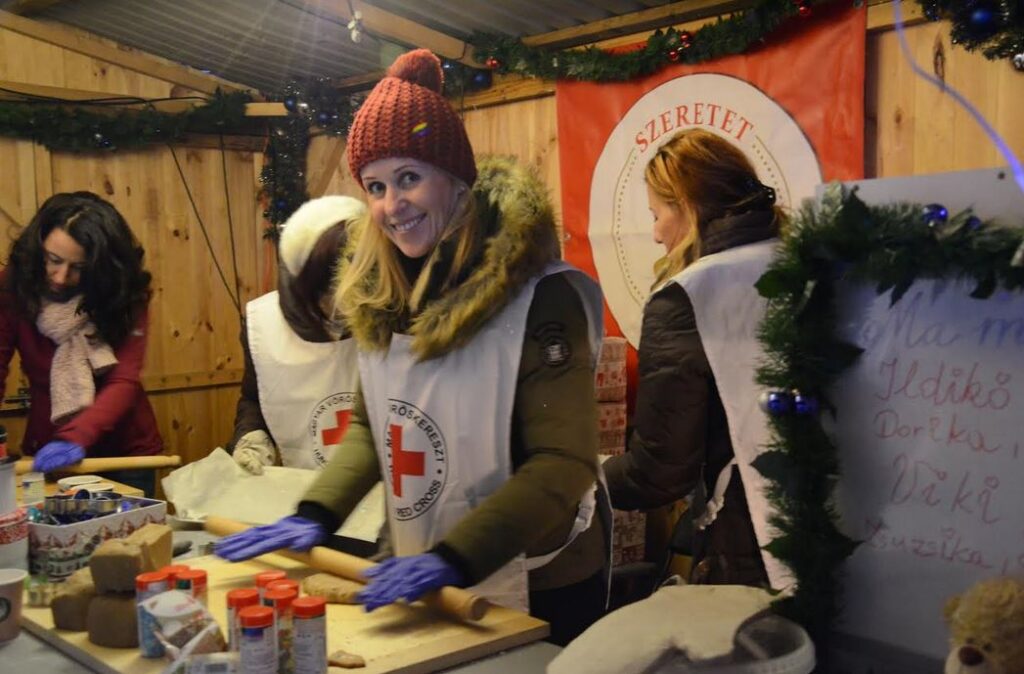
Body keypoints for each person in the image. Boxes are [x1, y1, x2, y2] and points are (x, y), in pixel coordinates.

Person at [216, 48, 610, 645]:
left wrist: (457, 556)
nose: (391, 206)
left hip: (539, 577)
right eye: (374, 186)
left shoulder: (538, 297)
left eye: (409, 178)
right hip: (428, 568)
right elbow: (376, 430)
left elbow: (565, 460)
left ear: (455, 180)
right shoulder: (381, 299)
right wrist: (315, 512)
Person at [602, 129, 783, 588]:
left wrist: (583, 479)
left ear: (686, 205)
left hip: (748, 540)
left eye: (658, 213)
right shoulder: (803, 262)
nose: (656, 231)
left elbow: (661, 471)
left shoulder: (686, 296)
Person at [0, 191, 162, 495]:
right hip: (48, 451)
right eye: (53, 260)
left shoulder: (125, 294)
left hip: (124, 456)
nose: (60, 277)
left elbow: (123, 380)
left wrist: (75, 437)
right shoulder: (14, 285)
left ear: (102, 269)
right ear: (39, 248)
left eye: (78, 268)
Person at [228, 195, 366, 474]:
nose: (339, 302)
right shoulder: (263, 323)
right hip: (305, 485)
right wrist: (251, 437)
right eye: (326, 290)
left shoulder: (394, 314)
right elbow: (257, 397)